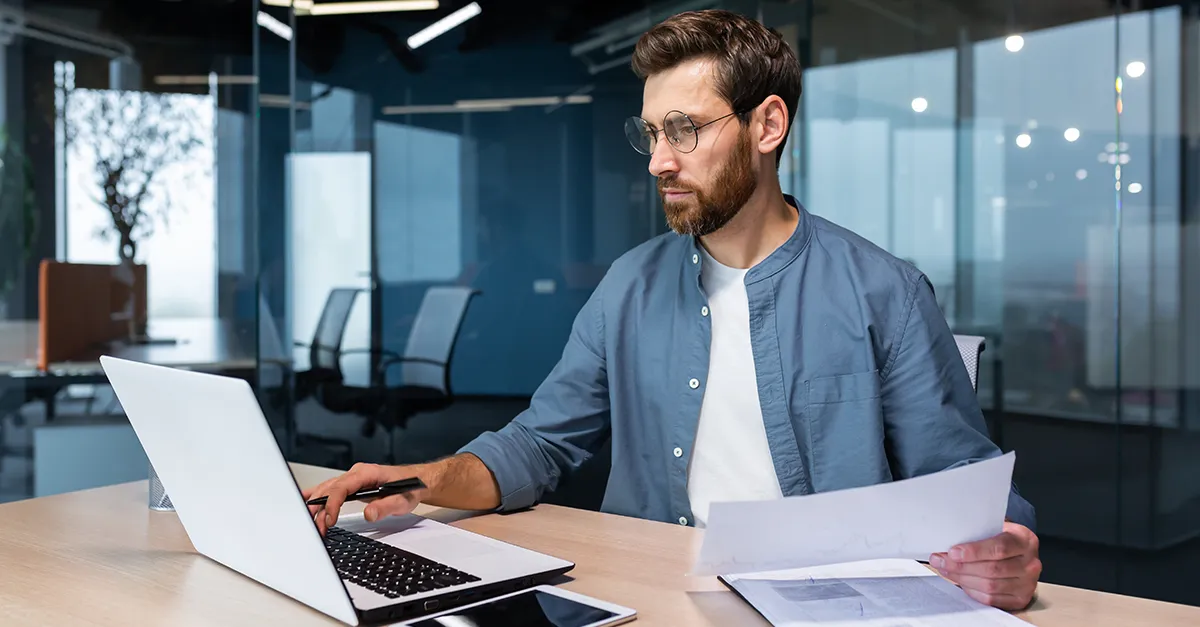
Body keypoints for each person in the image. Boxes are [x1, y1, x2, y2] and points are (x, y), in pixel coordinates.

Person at [304, 9, 1041, 611]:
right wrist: (413, 480)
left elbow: (968, 490)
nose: (659, 160)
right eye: (653, 133)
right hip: (648, 594)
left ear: (767, 125)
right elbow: (539, 445)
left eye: (684, 130)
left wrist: (1006, 545)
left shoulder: (885, 291)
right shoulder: (629, 285)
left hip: (823, 606)